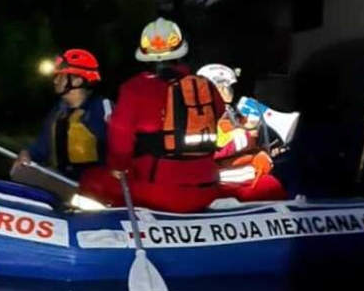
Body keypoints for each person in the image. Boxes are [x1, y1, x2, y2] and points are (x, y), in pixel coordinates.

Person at [79, 18, 224, 213]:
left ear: (144, 54)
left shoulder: (134, 89)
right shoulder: (205, 86)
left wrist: (118, 167)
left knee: (91, 179)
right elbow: (219, 113)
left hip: (158, 193)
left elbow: (120, 144)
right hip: (209, 189)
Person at [11, 48, 111, 201]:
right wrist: (27, 153)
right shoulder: (57, 112)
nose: (55, 81)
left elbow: (120, 147)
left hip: (95, 187)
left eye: (60, 76)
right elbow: (42, 147)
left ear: (77, 80)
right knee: (21, 171)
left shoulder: (101, 108)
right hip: (64, 180)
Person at [196, 63, 288, 202]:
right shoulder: (203, 119)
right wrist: (248, 130)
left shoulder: (227, 113)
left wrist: (264, 152)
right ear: (218, 89)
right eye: (227, 88)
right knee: (271, 187)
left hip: (239, 176)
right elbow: (218, 148)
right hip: (225, 181)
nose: (229, 92)